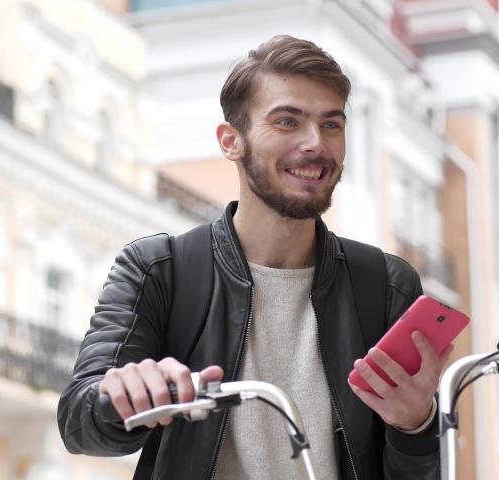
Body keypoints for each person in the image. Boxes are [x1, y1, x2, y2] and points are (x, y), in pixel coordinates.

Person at [57, 35, 453, 480]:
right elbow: (78, 422)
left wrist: (415, 425)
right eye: (287, 121)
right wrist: (120, 397)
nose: (315, 144)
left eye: (331, 125)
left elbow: (421, 472)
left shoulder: (385, 284)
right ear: (231, 141)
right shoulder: (158, 269)